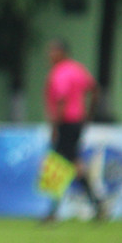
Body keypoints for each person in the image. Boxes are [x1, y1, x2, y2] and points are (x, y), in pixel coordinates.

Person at [41, 38, 105, 222]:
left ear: (62, 52)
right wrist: (89, 114)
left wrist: (55, 126)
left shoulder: (59, 72)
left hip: (65, 122)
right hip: (77, 122)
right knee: (73, 163)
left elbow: (60, 100)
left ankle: (53, 212)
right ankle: (97, 204)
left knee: (57, 164)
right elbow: (94, 89)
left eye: (52, 51)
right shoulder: (78, 69)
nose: (49, 56)